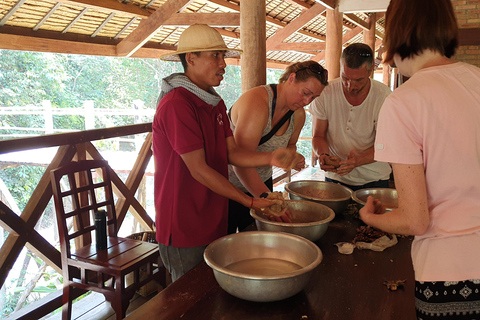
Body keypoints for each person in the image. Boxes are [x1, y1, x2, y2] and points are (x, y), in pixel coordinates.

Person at [358, 0, 480, 319]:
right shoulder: (477, 80)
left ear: (396, 31)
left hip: (450, 271)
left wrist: (370, 218)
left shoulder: (403, 102)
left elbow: (415, 220)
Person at [152, 24, 302, 282]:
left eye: (224, 56)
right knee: (190, 299)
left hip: (213, 216)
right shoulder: (177, 104)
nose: (224, 64)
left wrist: (270, 157)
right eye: (215, 56)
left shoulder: (214, 102)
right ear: (191, 58)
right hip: (185, 222)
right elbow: (199, 169)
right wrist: (250, 201)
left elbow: (231, 152)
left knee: (211, 292)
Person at [227, 60, 328, 234]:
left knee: (257, 241)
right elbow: (240, 162)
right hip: (227, 187)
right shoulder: (257, 103)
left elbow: (290, 145)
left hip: (262, 183)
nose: (307, 101)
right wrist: (267, 198)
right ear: (291, 78)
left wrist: (292, 158)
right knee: (226, 247)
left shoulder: (298, 115)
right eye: (305, 93)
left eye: (313, 98)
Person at [310, 43, 392, 191]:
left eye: (358, 80)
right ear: (341, 68)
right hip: (335, 178)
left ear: (370, 70)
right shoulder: (326, 92)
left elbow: (385, 145)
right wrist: (323, 155)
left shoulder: (384, 97)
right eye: (345, 77)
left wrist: (357, 162)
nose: (350, 86)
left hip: (375, 178)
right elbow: (318, 136)